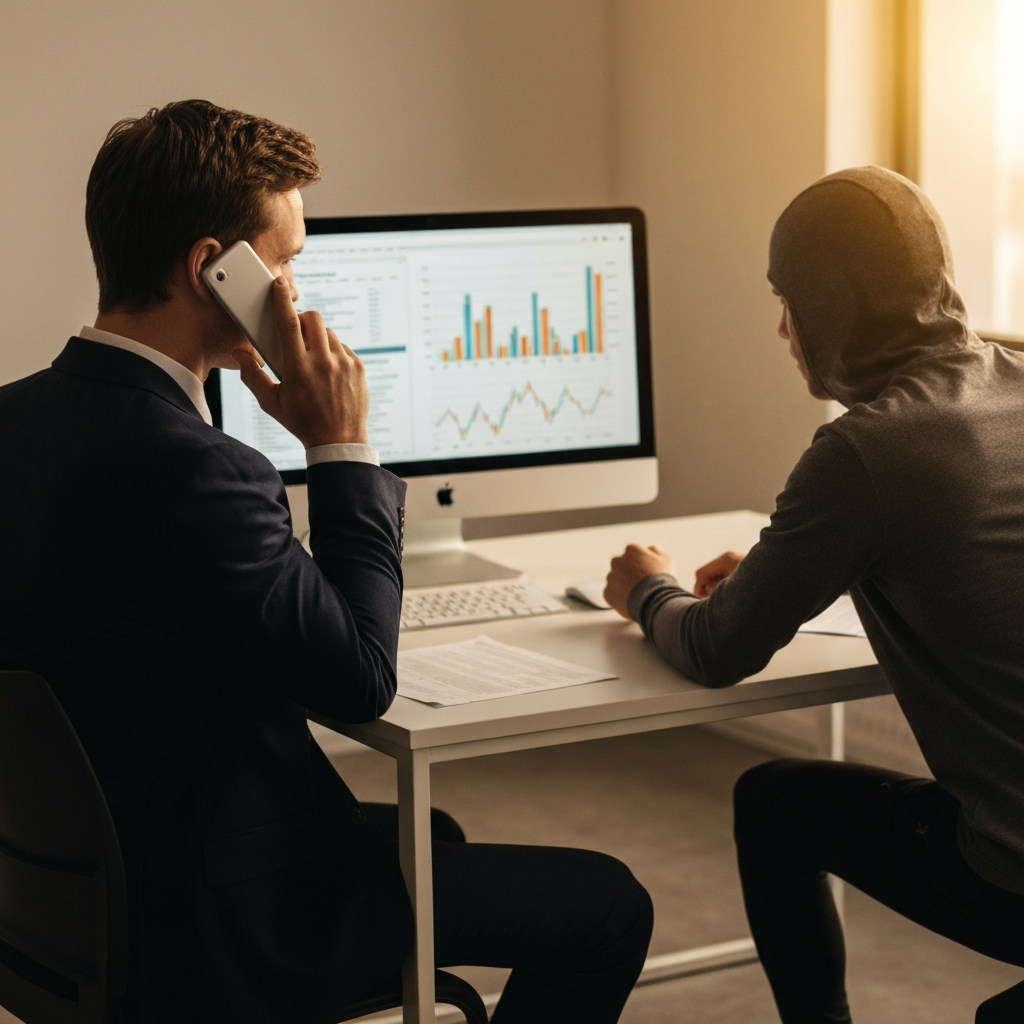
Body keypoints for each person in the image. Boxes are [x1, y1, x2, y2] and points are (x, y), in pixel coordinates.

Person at [0, 99, 652, 1024]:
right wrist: (342, 448)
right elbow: (359, 682)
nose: (298, 293)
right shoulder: (200, 472)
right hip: (218, 926)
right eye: (290, 261)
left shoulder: (16, 422)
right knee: (608, 905)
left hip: (64, 905)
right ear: (210, 270)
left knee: (431, 837)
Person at [603, 166, 1024, 1023]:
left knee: (771, 803)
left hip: (1013, 870)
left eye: (787, 297)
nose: (782, 328)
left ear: (832, 304)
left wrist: (650, 591)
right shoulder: (1011, 379)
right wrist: (783, 572)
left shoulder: (865, 450)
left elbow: (719, 651)